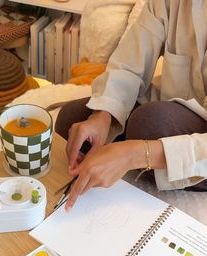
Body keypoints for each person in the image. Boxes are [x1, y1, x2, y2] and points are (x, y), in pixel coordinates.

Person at [55, 0, 207, 210]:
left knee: (148, 124)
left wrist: (135, 154)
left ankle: (140, 154)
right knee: (72, 120)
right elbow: (130, 61)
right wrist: (103, 114)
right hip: (170, 106)